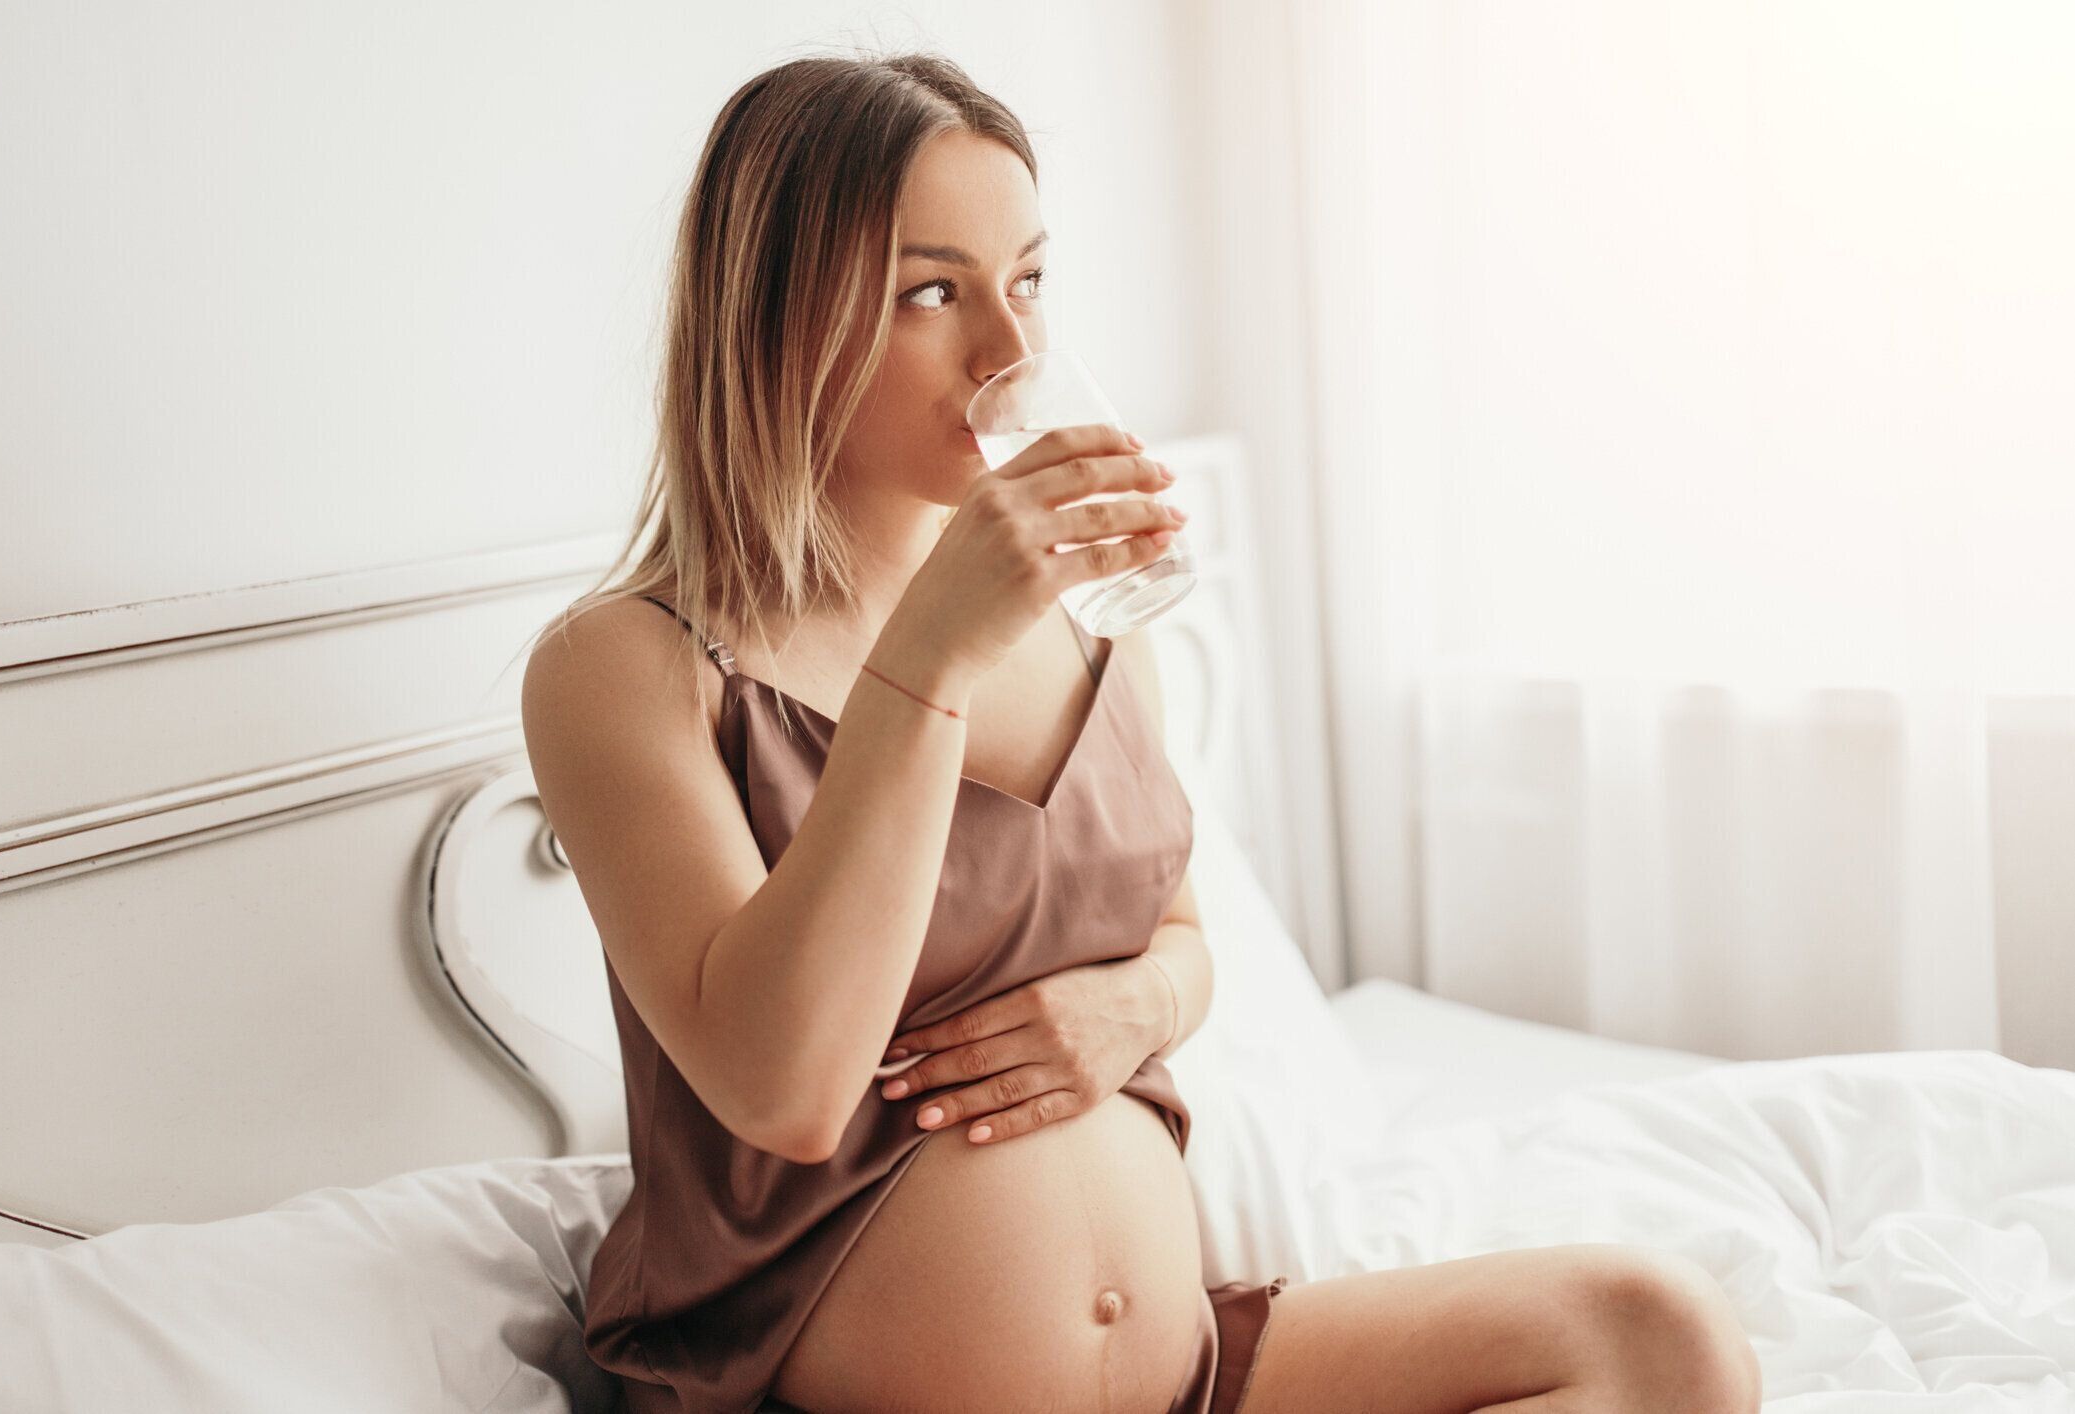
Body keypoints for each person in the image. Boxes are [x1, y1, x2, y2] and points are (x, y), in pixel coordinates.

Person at [518, 49, 1762, 1414]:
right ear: (772, 319)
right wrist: (926, 660)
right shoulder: (629, 664)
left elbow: (1175, 936)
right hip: (819, 1386)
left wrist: (1135, 1006)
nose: (1012, 350)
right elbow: (788, 1088)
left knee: (1656, 1332)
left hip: (1187, 1373)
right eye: (932, 292)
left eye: (1030, 280)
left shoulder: (1093, 614)